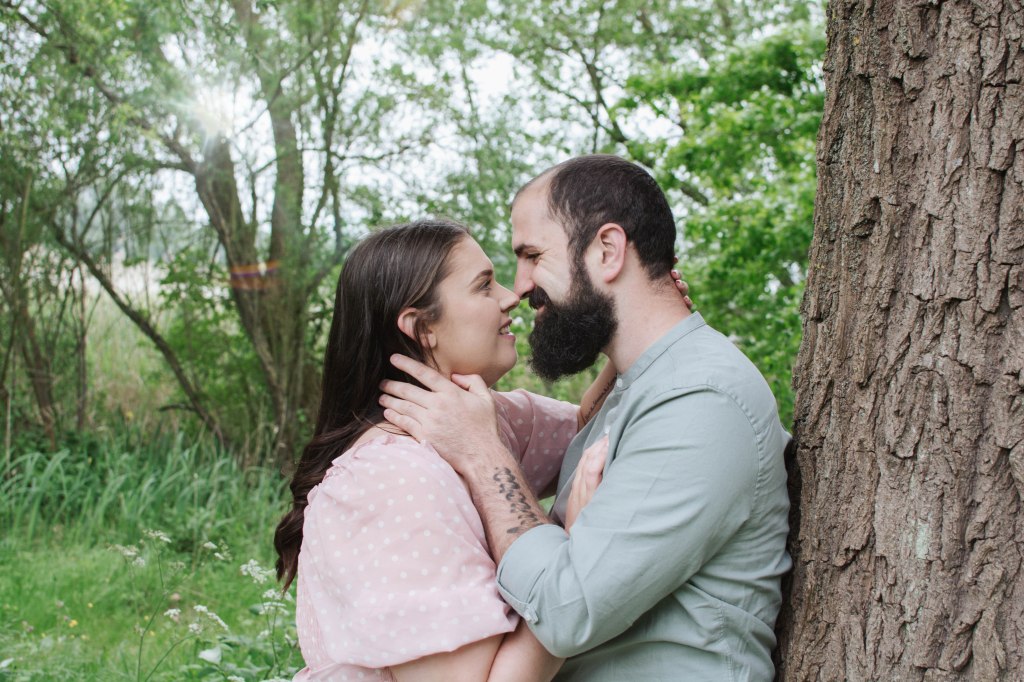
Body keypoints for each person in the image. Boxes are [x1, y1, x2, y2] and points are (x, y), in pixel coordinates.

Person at [379, 155, 792, 681]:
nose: (519, 288)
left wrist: (482, 455)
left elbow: (565, 613)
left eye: (532, 256)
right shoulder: (643, 386)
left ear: (608, 251)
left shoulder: (701, 399)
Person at [274, 219, 681, 681]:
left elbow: (591, 429)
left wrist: (641, 325)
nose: (510, 296)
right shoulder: (390, 478)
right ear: (422, 327)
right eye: (484, 285)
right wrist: (575, 558)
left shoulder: (478, 417)